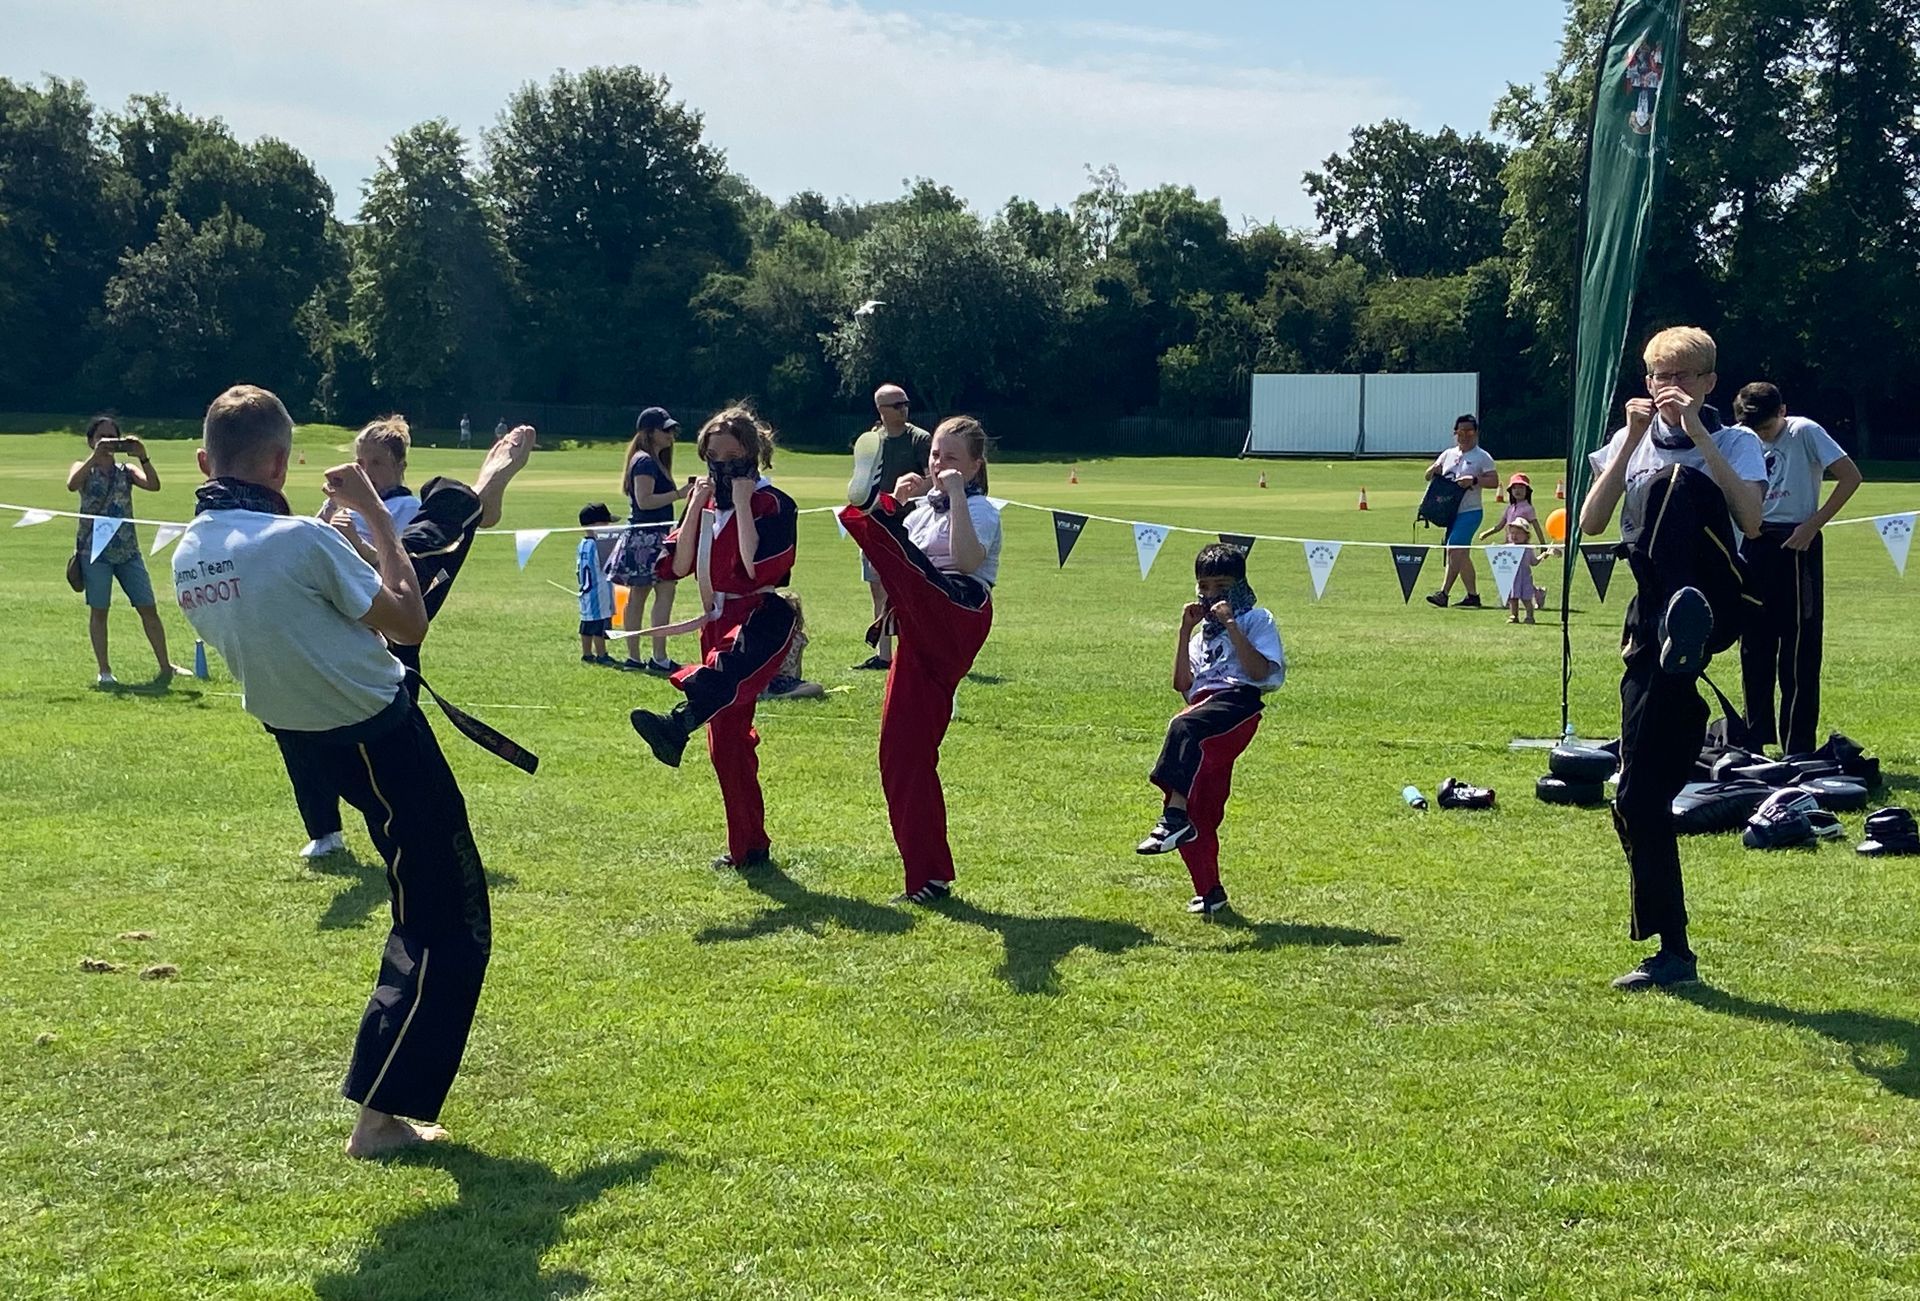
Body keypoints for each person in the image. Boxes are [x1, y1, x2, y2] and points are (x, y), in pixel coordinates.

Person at [172, 384, 493, 1159]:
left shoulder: (190, 550)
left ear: (204, 460)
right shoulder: (296, 542)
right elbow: (408, 618)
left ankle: (384, 1105)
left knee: (425, 909)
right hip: (380, 737)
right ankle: (380, 1118)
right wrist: (379, 518)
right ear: (281, 462)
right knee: (451, 922)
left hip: (310, 738)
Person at [1580, 326, 1766, 991]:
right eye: (1660, 375)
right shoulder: (1629, 444)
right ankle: (1673, 949)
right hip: (1652, 628)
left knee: (1672, 490)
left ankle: (1686, 627)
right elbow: (1591, 525)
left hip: (1715, 597)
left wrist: (1701, 437)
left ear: (1711, 382)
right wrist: (1630, 440)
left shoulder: (1738, 441)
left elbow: (1750, 521)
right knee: (1635, 797)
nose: (1670, 388)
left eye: (1685, 376)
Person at [280, 415, 532, 859]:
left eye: (375, 462)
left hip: (393, 620)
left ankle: (482, 494)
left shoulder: (404, 508)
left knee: (396, 748)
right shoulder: (338, 508)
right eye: (358, 461)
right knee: (299, 725)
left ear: (399, 465)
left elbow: (402, 578)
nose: (364, 471)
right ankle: (324, 828)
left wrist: (360, 543)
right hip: (342, 621)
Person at [628, 406, 799, 871]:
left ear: (753, 454)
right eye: (714, 455)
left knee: (724, 699)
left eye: (733, 454)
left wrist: (741, 503)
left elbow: (755, 566)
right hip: (714, 620)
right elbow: (678, 566)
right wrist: (693, 510)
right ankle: (749, 845)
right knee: (726, 740)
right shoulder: (706, 505)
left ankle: (677, 722)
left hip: (758, 617)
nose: (722, 464)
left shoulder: (773, 504)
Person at [840, 415, 1001, 904]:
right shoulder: (922, 510)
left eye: (951, 458)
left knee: (896, 549)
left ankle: (868, 511)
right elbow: (901, 571)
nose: (938, 464)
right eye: (934, 454)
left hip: (959, 610)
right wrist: (905, 504)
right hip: (918, 622)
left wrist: (952, 498)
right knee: (900, 754)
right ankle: (927, 875)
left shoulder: (983, 511)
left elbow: (968, 563)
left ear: (974, 466)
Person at [1134, 543, 1285, 916]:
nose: (1212, 594)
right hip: (1203, 710)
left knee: (1183, 726)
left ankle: (1173, 817)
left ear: (1238, 585)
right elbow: (1183, 685)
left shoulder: (1257, 620)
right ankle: (1210, 891)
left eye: (1221, 585)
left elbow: (1261, 674)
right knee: (1199, 811)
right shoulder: (1202, 636)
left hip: (1237, 705)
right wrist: (1185, 632)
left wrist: (1232, 624)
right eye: (1204, 586)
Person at [1731, 382, 1863, 754]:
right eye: (1752, 430)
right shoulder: (1741, 438)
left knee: (1799, 648)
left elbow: (1850, 476)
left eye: (1767, 429)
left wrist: (1813, 524)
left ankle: (1797, 747)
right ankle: (1755, 741)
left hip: (1796, 543)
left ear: (1782, 412)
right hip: (1755, 541)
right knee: (1754, 646)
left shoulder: (1804, 431)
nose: (1760, 436)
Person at [67, 416, 189, 687]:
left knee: (148, 608)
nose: (108, 442)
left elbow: (154, 485)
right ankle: (105, 671)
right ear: (91, 441)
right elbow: (72, 484)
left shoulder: (127, 470)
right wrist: (94, 458)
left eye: (113, 437)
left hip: (128, 551)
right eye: (102, 437)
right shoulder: (84, 467)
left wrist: (143, 456)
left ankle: (165, 666)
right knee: (100, 610)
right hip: (94, 551)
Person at [852, 384, 932, 671]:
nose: (904, 408)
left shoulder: (919, 439)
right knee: (878, 590)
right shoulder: (872, 442)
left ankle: (918, 652)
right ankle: (884, 656)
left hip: (911, 526)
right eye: (897, 405)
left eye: (906, 403)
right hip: (875, 523)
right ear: (881, 411)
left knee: (914, 590)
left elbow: (931, 481)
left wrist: (903, 495)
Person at [608, 407, 691, 674]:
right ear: (650, 432)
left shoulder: (652, 460)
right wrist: (679, 494)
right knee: (653, 593)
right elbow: (645, 501)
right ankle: (652, 657)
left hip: (653, 535)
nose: (671, 435)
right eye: (665, 429)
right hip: (647, 537)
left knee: (647, 594)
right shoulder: (645, 462)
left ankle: (645, 657)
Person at [1423, 415, 1498, 608]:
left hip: (1471, 511)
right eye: (1461, 431)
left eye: (1469, 431)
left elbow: (1494, 481)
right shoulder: (1447, 454)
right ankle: (1473, 596)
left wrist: (1473, 480)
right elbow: (1428, 476)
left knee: (1454, 548)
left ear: (1476, 433)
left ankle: (1444, 593)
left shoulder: (1482, 457)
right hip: (1449, 512)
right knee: (1461, 555)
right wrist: (1433, 470)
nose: (1464, 435)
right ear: (1455, 432)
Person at [760, 591, 825, 700]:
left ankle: (781, 696)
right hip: (768, 680)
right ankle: (770, 694)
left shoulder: (799, 638)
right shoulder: (768, 636)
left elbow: (797, 667)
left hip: (787, 681)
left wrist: (795, 681)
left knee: (817, 688)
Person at [577, 502, 617, 665]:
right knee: (600, 625)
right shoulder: (598, 545)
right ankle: (601, 654)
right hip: (600, 591)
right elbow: (607, 566)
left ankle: (587, 653)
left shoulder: (583, 544)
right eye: (605, 523)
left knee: (587, 622)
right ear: (595, 524)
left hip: (586, 591)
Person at [1501, 519, 1544, 625]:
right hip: (1512, 577)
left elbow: (1533, 562)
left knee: (1526, 598)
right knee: (1513, 598)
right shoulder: (1508, 548)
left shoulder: (1528, 549)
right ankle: (1514, 615)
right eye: (1512, 533)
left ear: (1526, 536)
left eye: (1518, 533)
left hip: (1525, 577)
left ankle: (1530, 616)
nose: (1515, 536)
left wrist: (1543, 555)